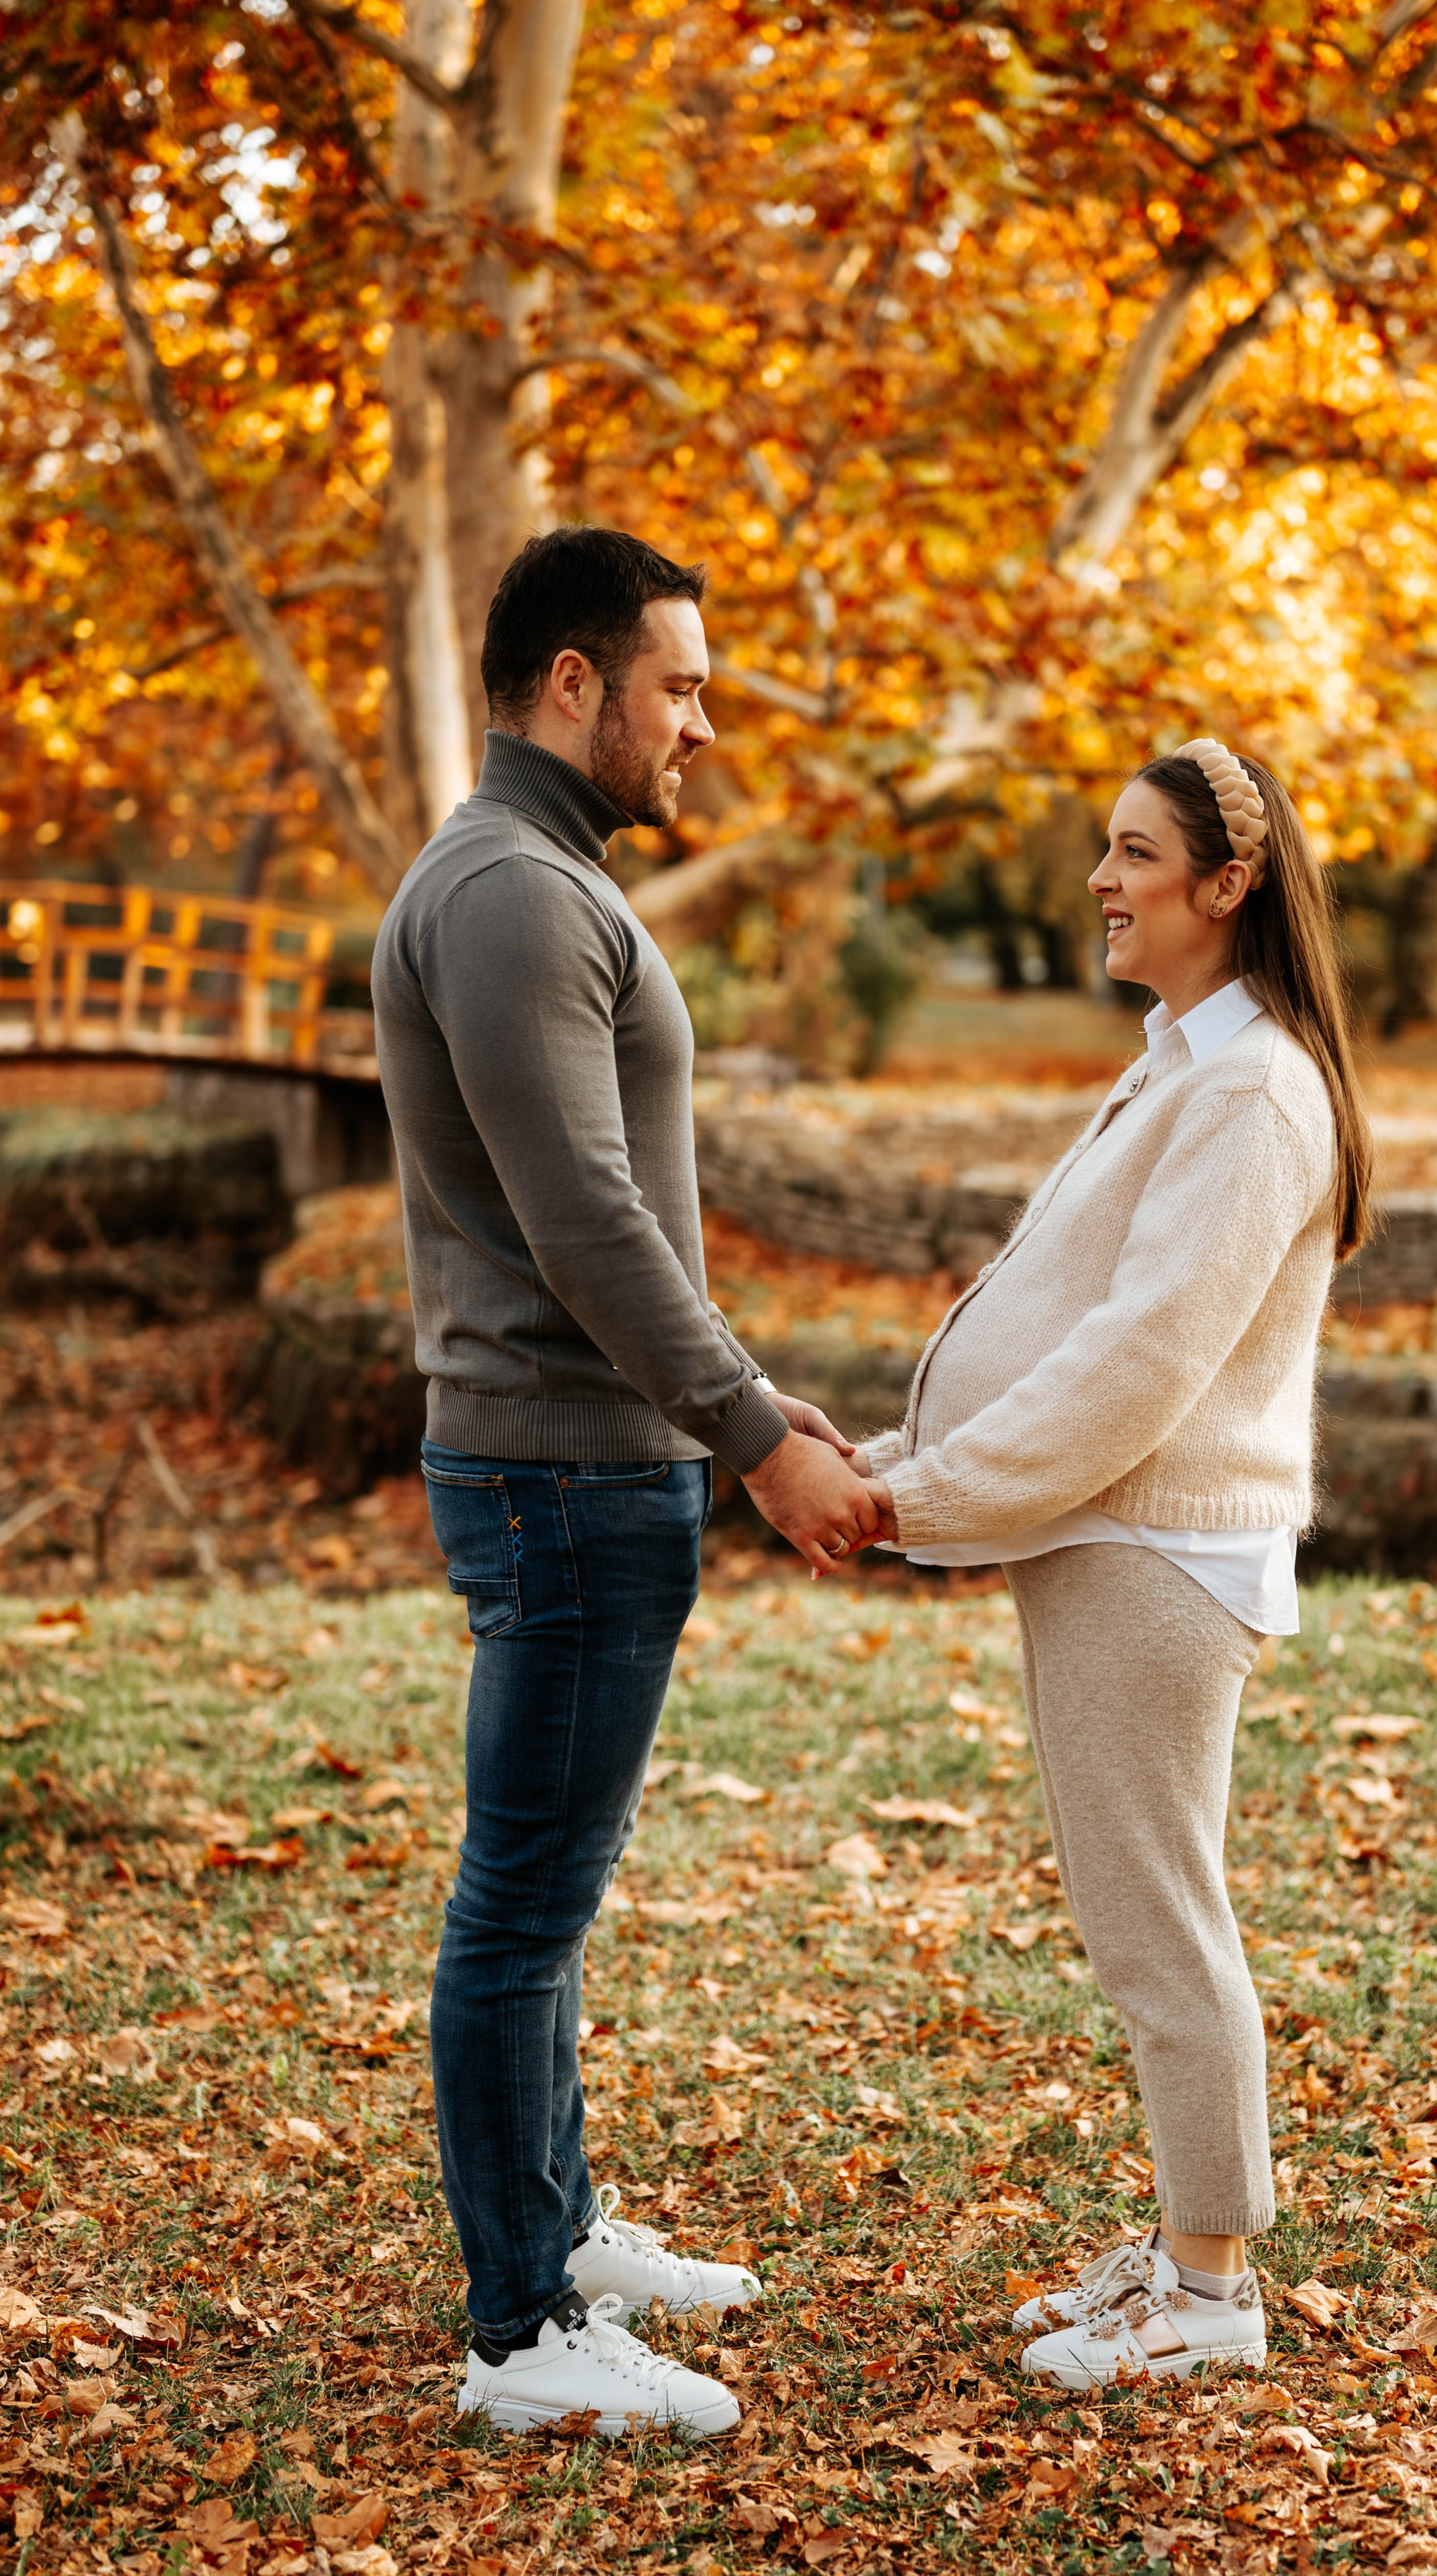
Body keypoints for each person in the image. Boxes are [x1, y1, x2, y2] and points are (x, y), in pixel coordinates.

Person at [372, 525, 881, 2438]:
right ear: (570, 683)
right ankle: (522, 2335)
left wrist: (742, 1398)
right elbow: (582, 1220)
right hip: (564, 1474)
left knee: (549, 1897)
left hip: (589, 1464)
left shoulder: (536, 875)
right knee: (520, 1904)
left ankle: (561, 2234)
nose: (704, 720)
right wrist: (749, 1430)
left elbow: (613, 1209)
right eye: (676, 683)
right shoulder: (510, 891)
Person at [857, 739, 1372, 2389]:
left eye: (1135, 854)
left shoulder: (1250, 1088)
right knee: (1132, 1906)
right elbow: (1067, 1308)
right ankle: (1179, 2248)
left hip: (1155, 1548)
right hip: (1107, 1537)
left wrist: (927, 1500)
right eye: (1105, 848)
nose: (1100, 880)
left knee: (1159, 1921)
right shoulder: (1184, 1062)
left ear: (1225, 886)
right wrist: (903, 1469)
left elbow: (1143, 1356)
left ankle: (1211, 2296)